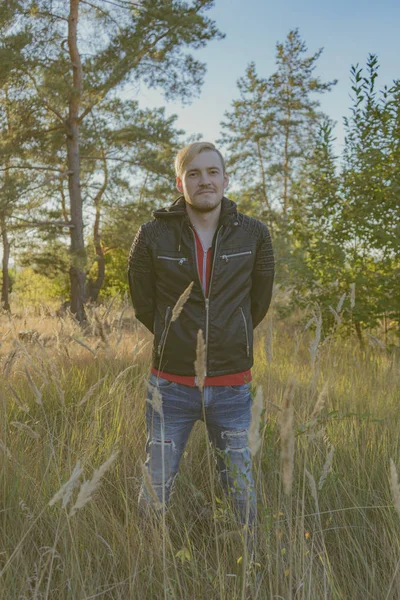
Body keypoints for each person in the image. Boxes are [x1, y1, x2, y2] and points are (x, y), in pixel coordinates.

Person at [128, 141, 275, 537]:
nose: (204, 180)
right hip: (170, 386)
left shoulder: (255, 234)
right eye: (193, 173)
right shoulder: (152, 235)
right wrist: (175, 340)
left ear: (225, 179)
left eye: (212, 172)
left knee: (241, 489)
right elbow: (144, 305)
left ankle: (245, 562)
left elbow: (257, 303)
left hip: (231, 388)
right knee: (155, 485)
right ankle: (146, 563)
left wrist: (231, 334)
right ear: (180, 182)